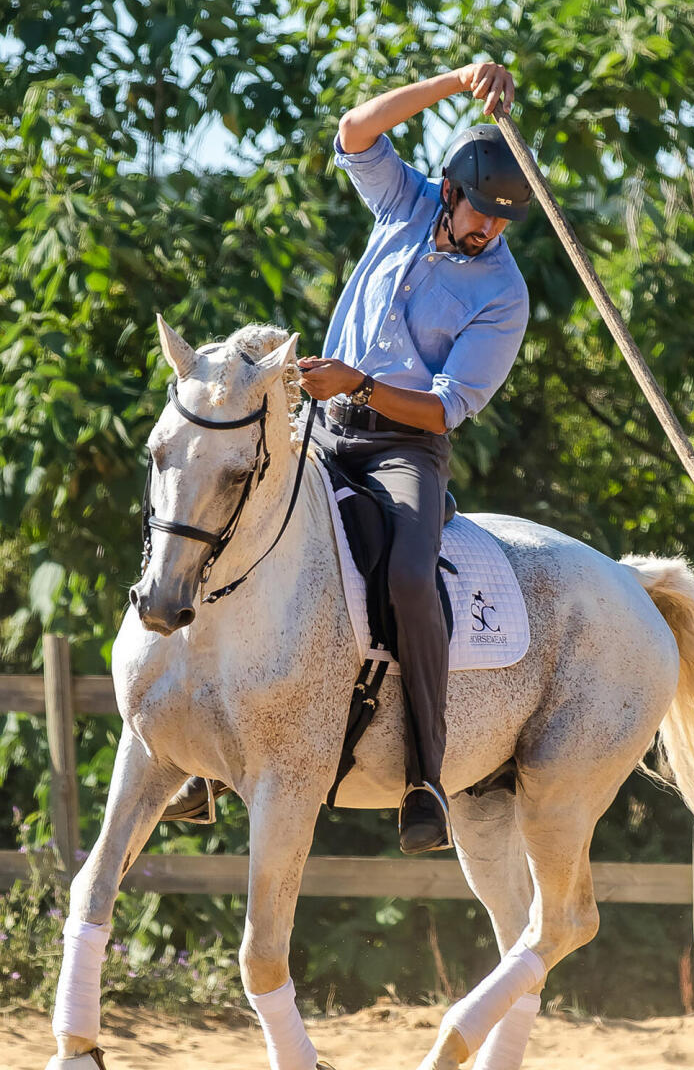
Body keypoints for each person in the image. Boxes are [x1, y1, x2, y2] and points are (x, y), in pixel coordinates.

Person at [161, 61, 532, 854]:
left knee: (405, 575)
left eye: (505, 222)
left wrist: (362, 383)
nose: (490, 231)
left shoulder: (504, 293)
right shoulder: (405, 203)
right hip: (323, 428)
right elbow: (357, 130)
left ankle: (427, 774)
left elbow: (445, 406)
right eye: (482, 213)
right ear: (451, 189)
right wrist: (455, 81)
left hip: (404, 451)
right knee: (227, 525)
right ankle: (197, 751)